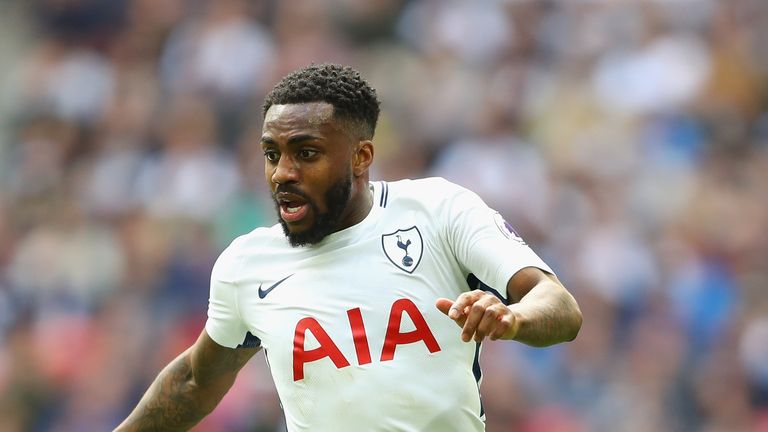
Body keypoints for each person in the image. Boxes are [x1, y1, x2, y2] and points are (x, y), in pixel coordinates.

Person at [115, 63, 582, 432]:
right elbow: (197, 380)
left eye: (306, 153)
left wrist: (513, 318)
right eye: (272, 154)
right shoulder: (246, 266)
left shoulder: (438, 211)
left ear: (361, 157)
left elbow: (559, 308)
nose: (283, 174)